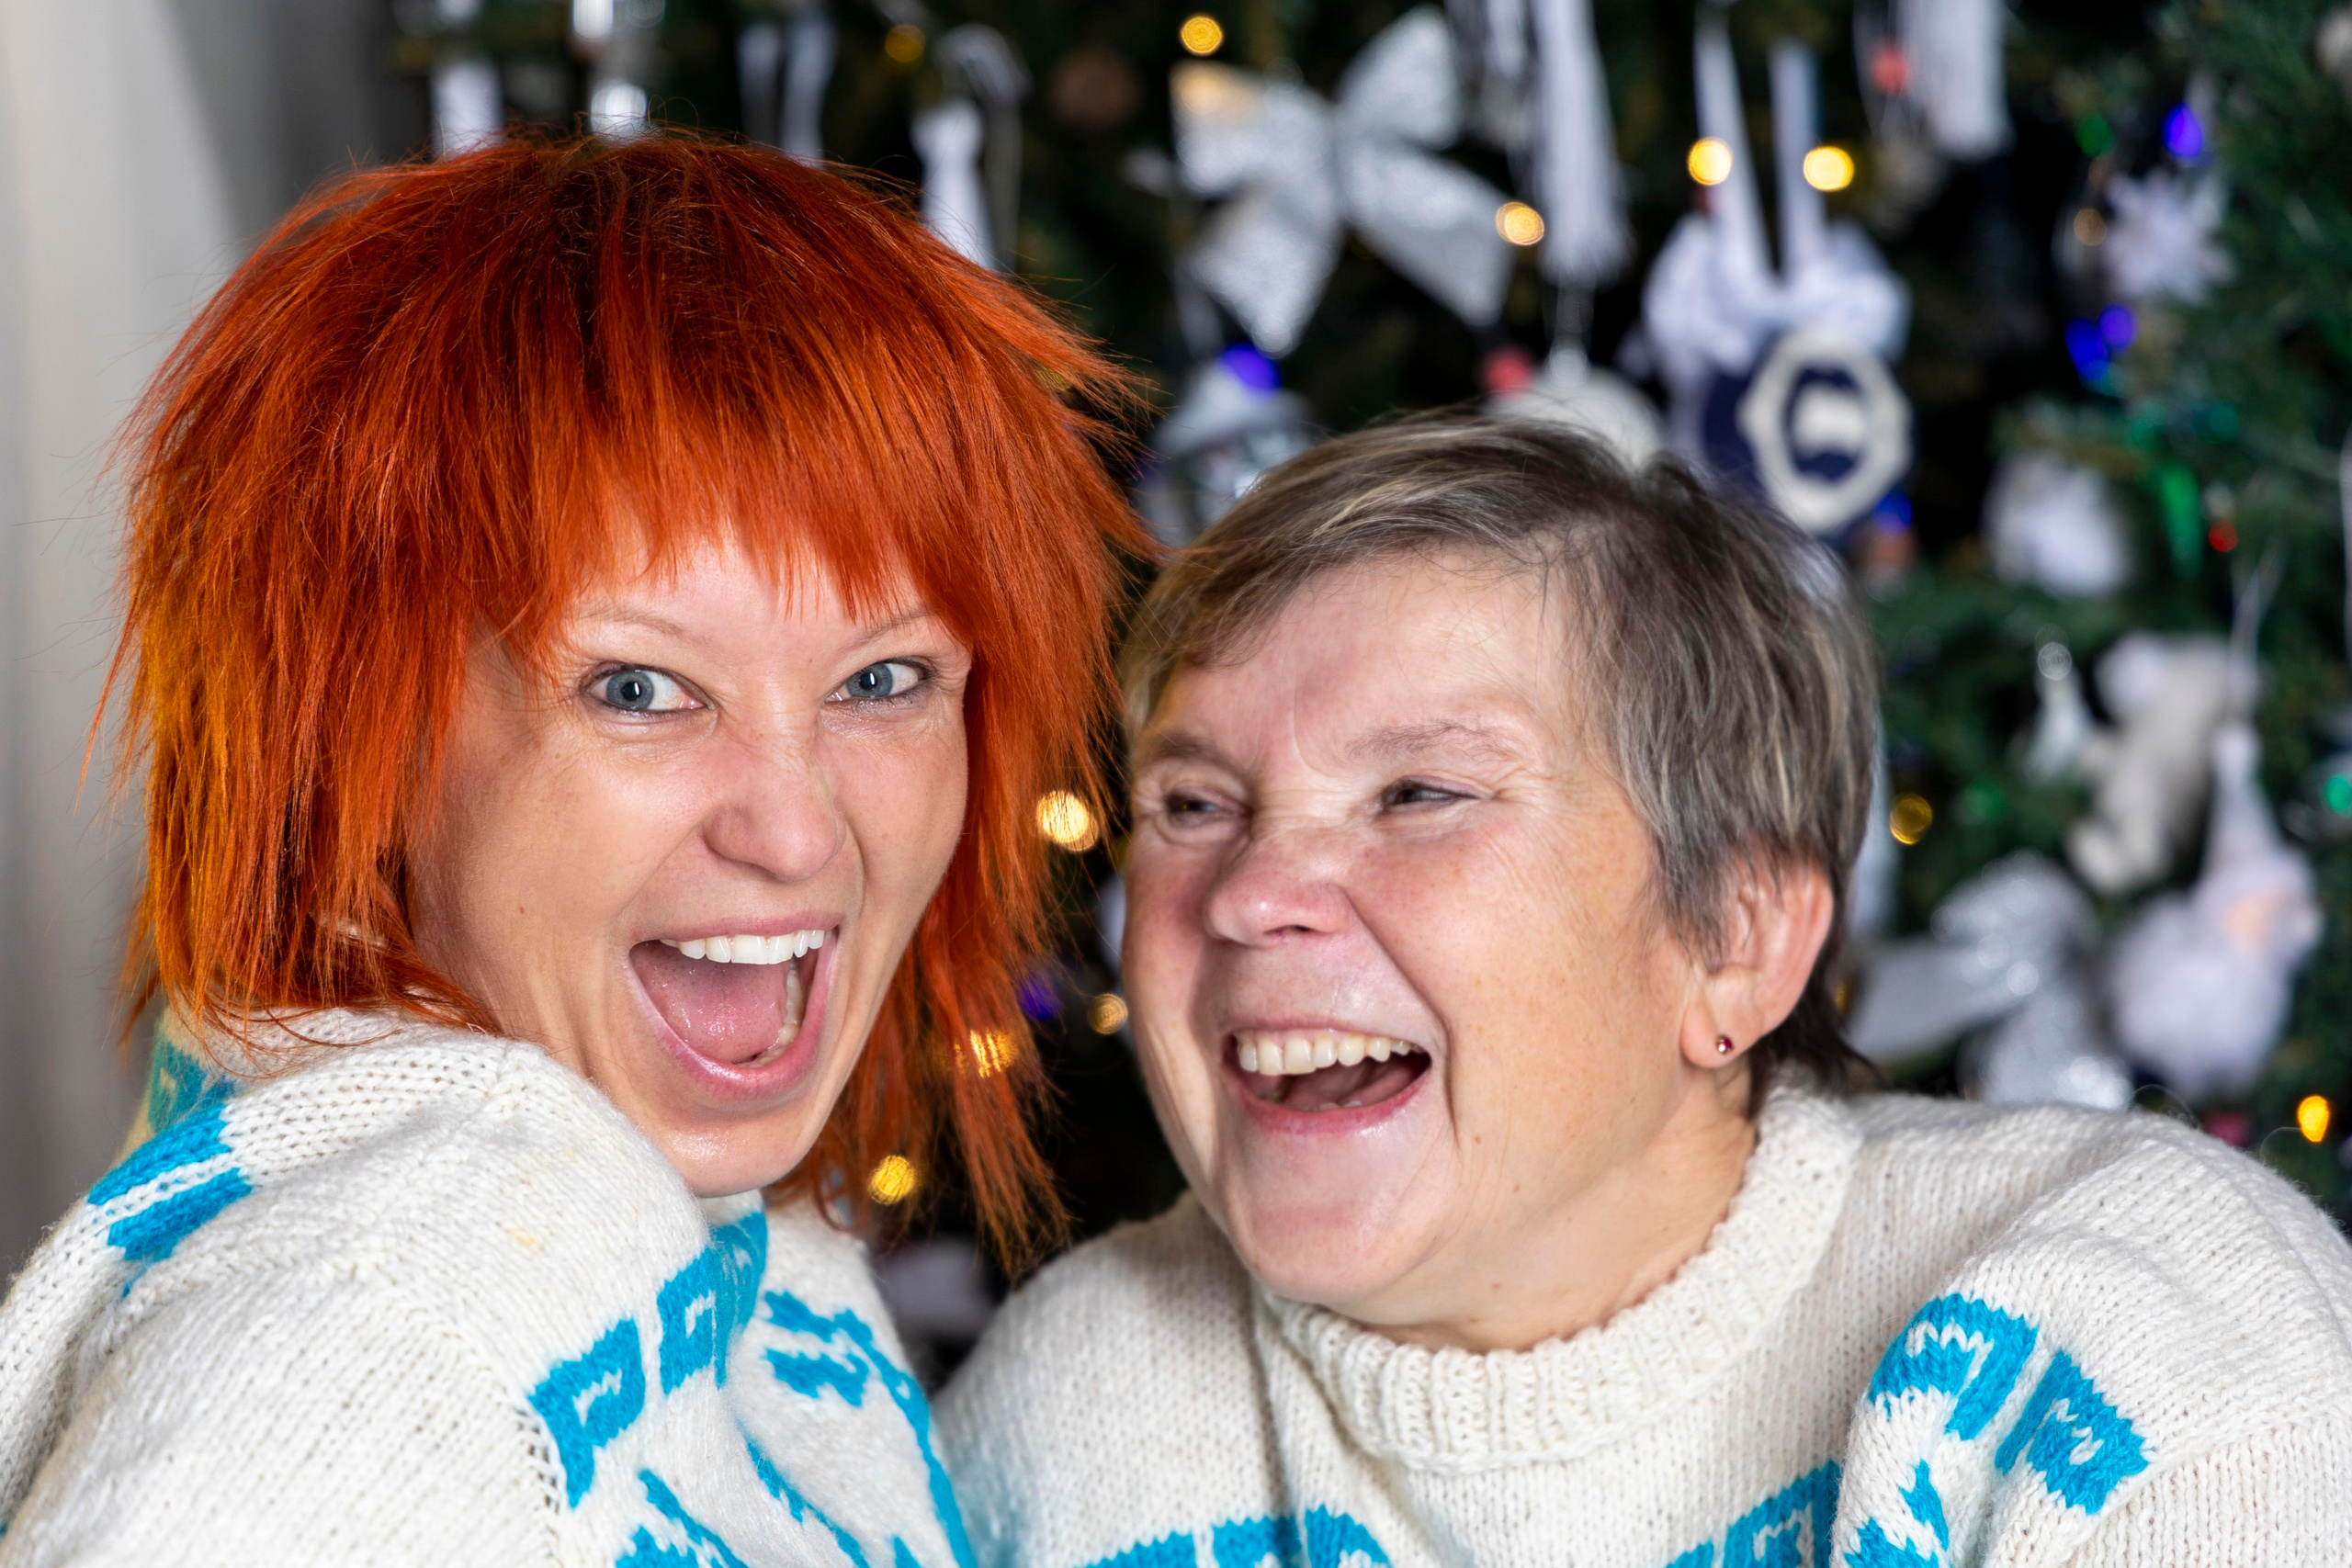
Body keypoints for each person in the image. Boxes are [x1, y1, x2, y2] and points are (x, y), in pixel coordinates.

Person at [938, 415, 2352, 1567]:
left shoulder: (2132, 1324)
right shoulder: (1071, 1412)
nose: (1245, 895)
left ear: (1734, 941)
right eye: (1193, 801)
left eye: (1420, 792)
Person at [0, 134, 1137, 1564]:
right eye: (639, 689)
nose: (797, 831)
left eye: (883, 681)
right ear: (352, 729)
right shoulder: (365, 1346)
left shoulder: (743, 1245)